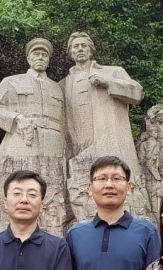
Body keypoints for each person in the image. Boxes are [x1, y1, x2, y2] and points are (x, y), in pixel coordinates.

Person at [60, 32, 143, 176]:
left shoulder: (112, 71)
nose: (80, 49)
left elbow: (137, 93)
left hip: (107, 139)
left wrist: (108, 82)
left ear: (91, 50)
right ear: (70, 52)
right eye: (76, 46)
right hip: (77, 146)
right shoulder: (63, 84)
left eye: (84, 45)